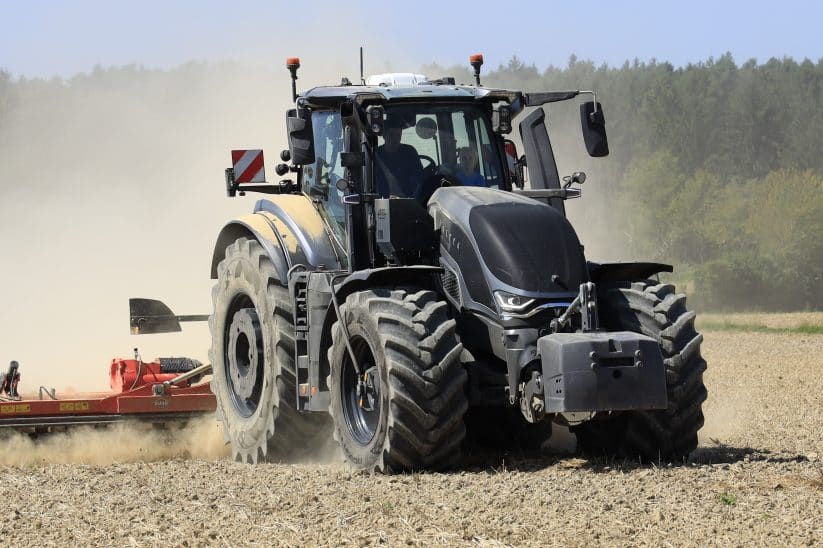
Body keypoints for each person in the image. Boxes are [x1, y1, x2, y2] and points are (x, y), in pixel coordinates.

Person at [375, 116, 425, 198]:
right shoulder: (377, 154)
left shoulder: (409, 152)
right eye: (391, 134)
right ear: (384, 135)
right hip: (383, 201)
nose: (395, 138)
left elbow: (419, 178)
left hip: (409, 200)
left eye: (398, 135)